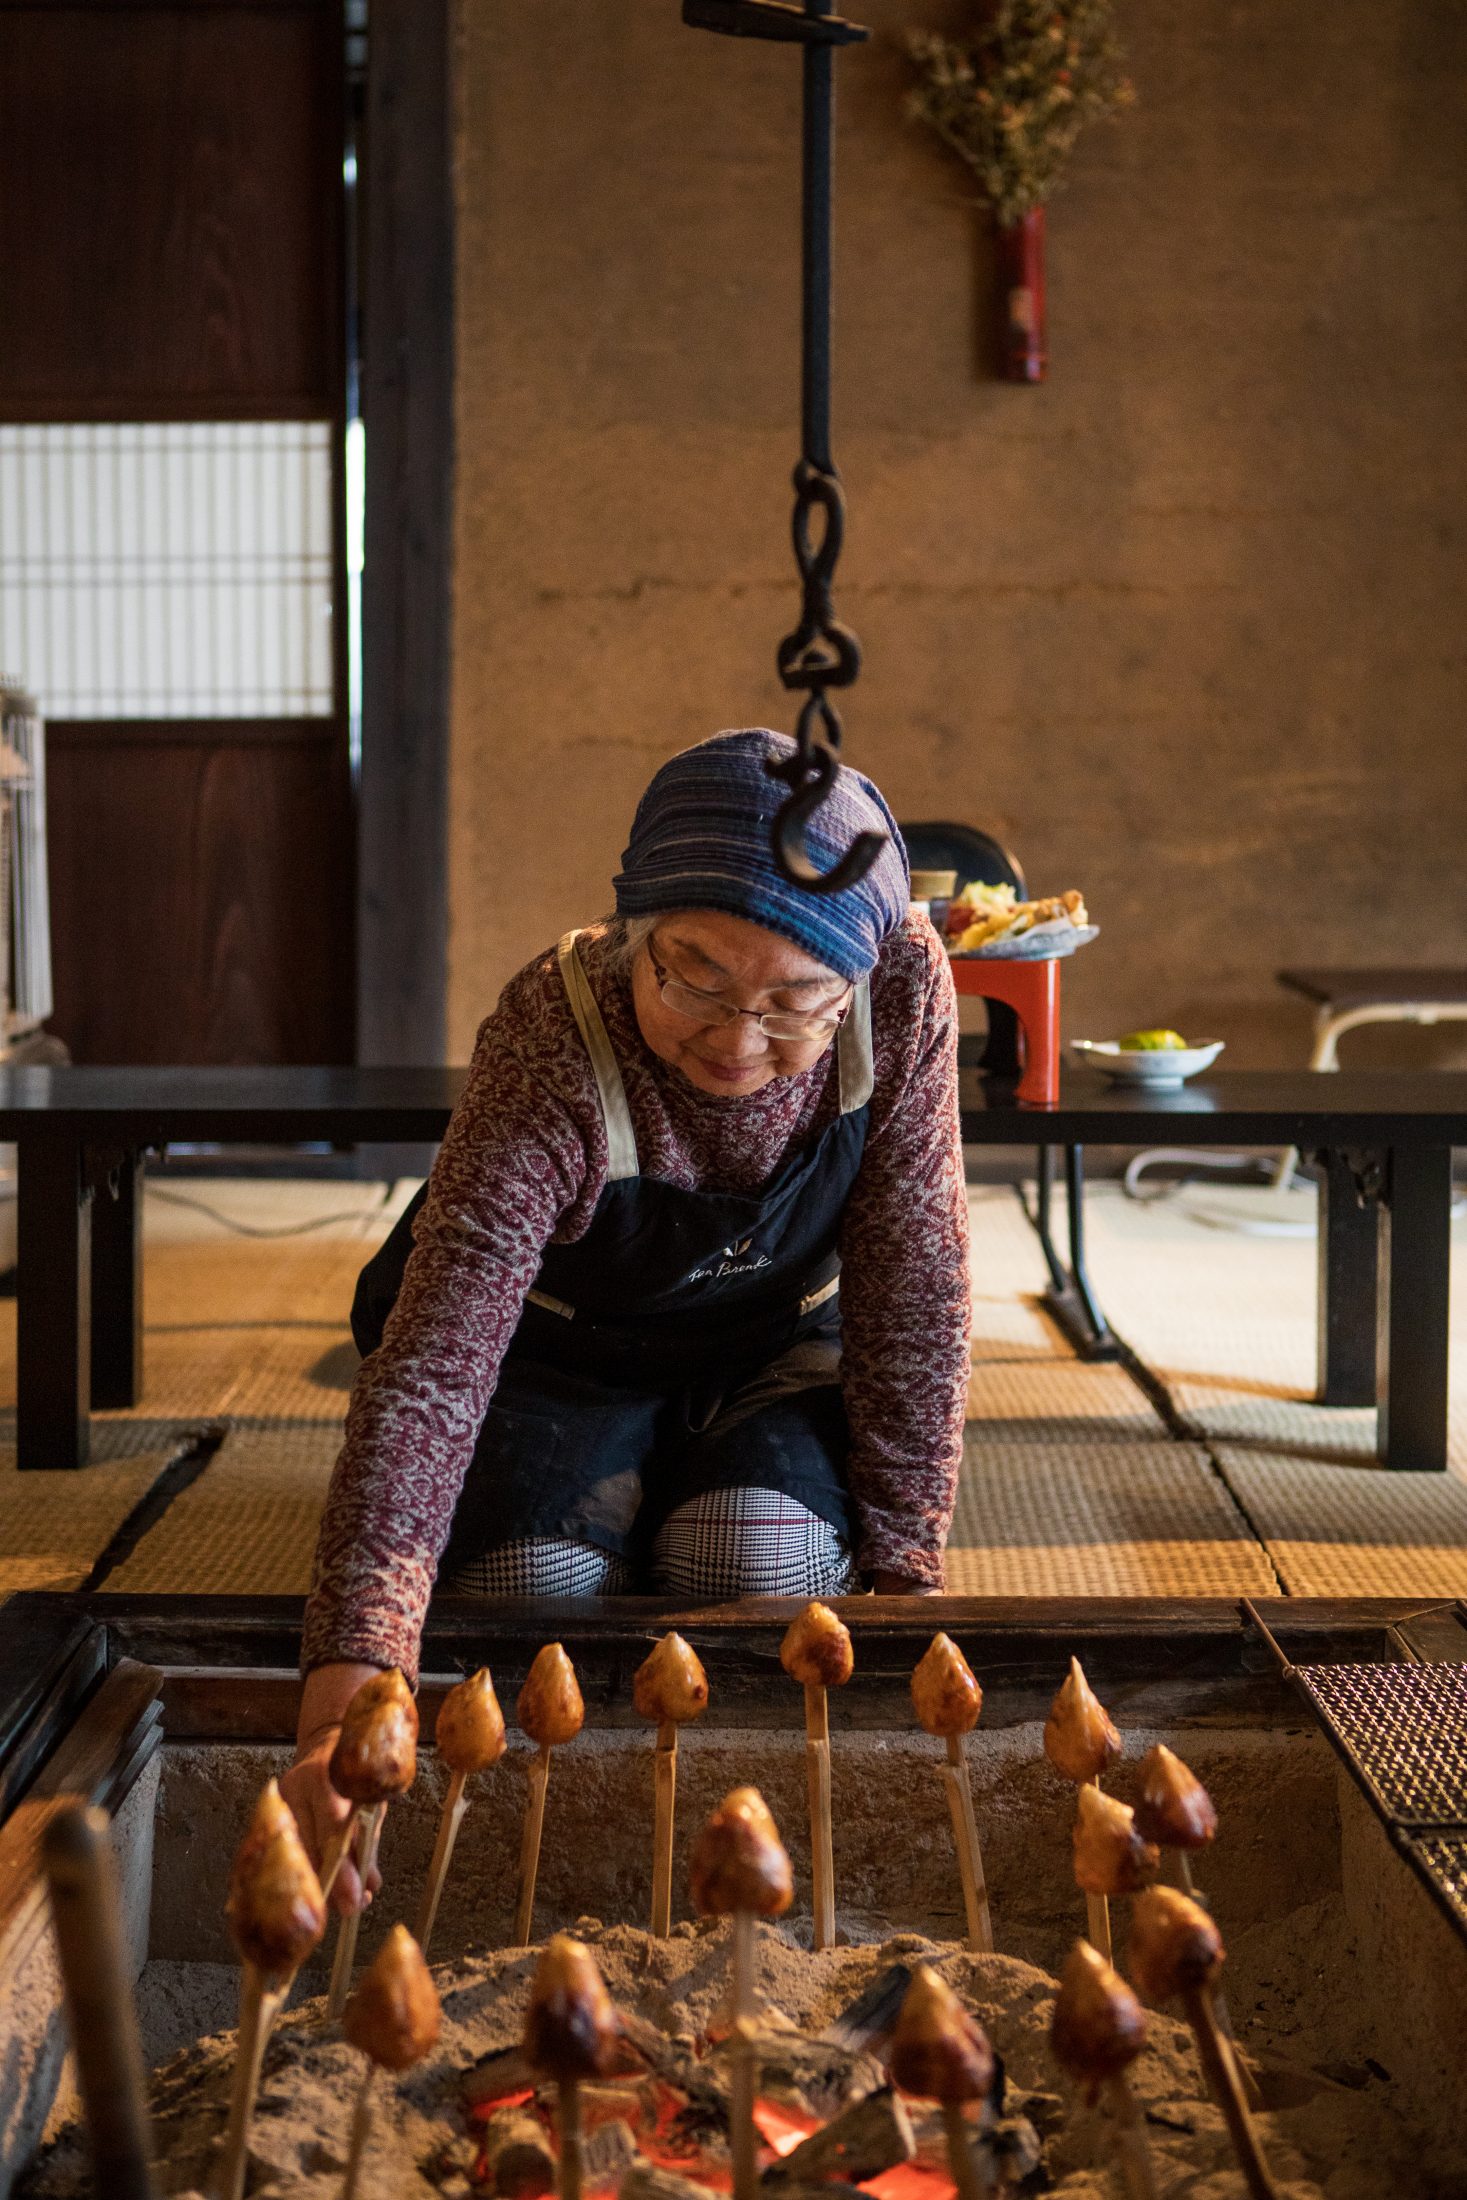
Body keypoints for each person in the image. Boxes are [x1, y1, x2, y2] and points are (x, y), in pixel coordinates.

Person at [283, 728, 971, 1899]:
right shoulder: (554, 1034)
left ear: (852, 984)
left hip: (768, 1338)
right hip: (559, 1353)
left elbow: (917, 1282)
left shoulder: (901, 987)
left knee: (758, 1563)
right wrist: (347, 1686)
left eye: (797, 1003)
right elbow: (436, 1372)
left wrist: (906, 1586)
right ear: (631, 930)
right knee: (531, 1594)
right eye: (693, 975)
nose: (739, 1040)